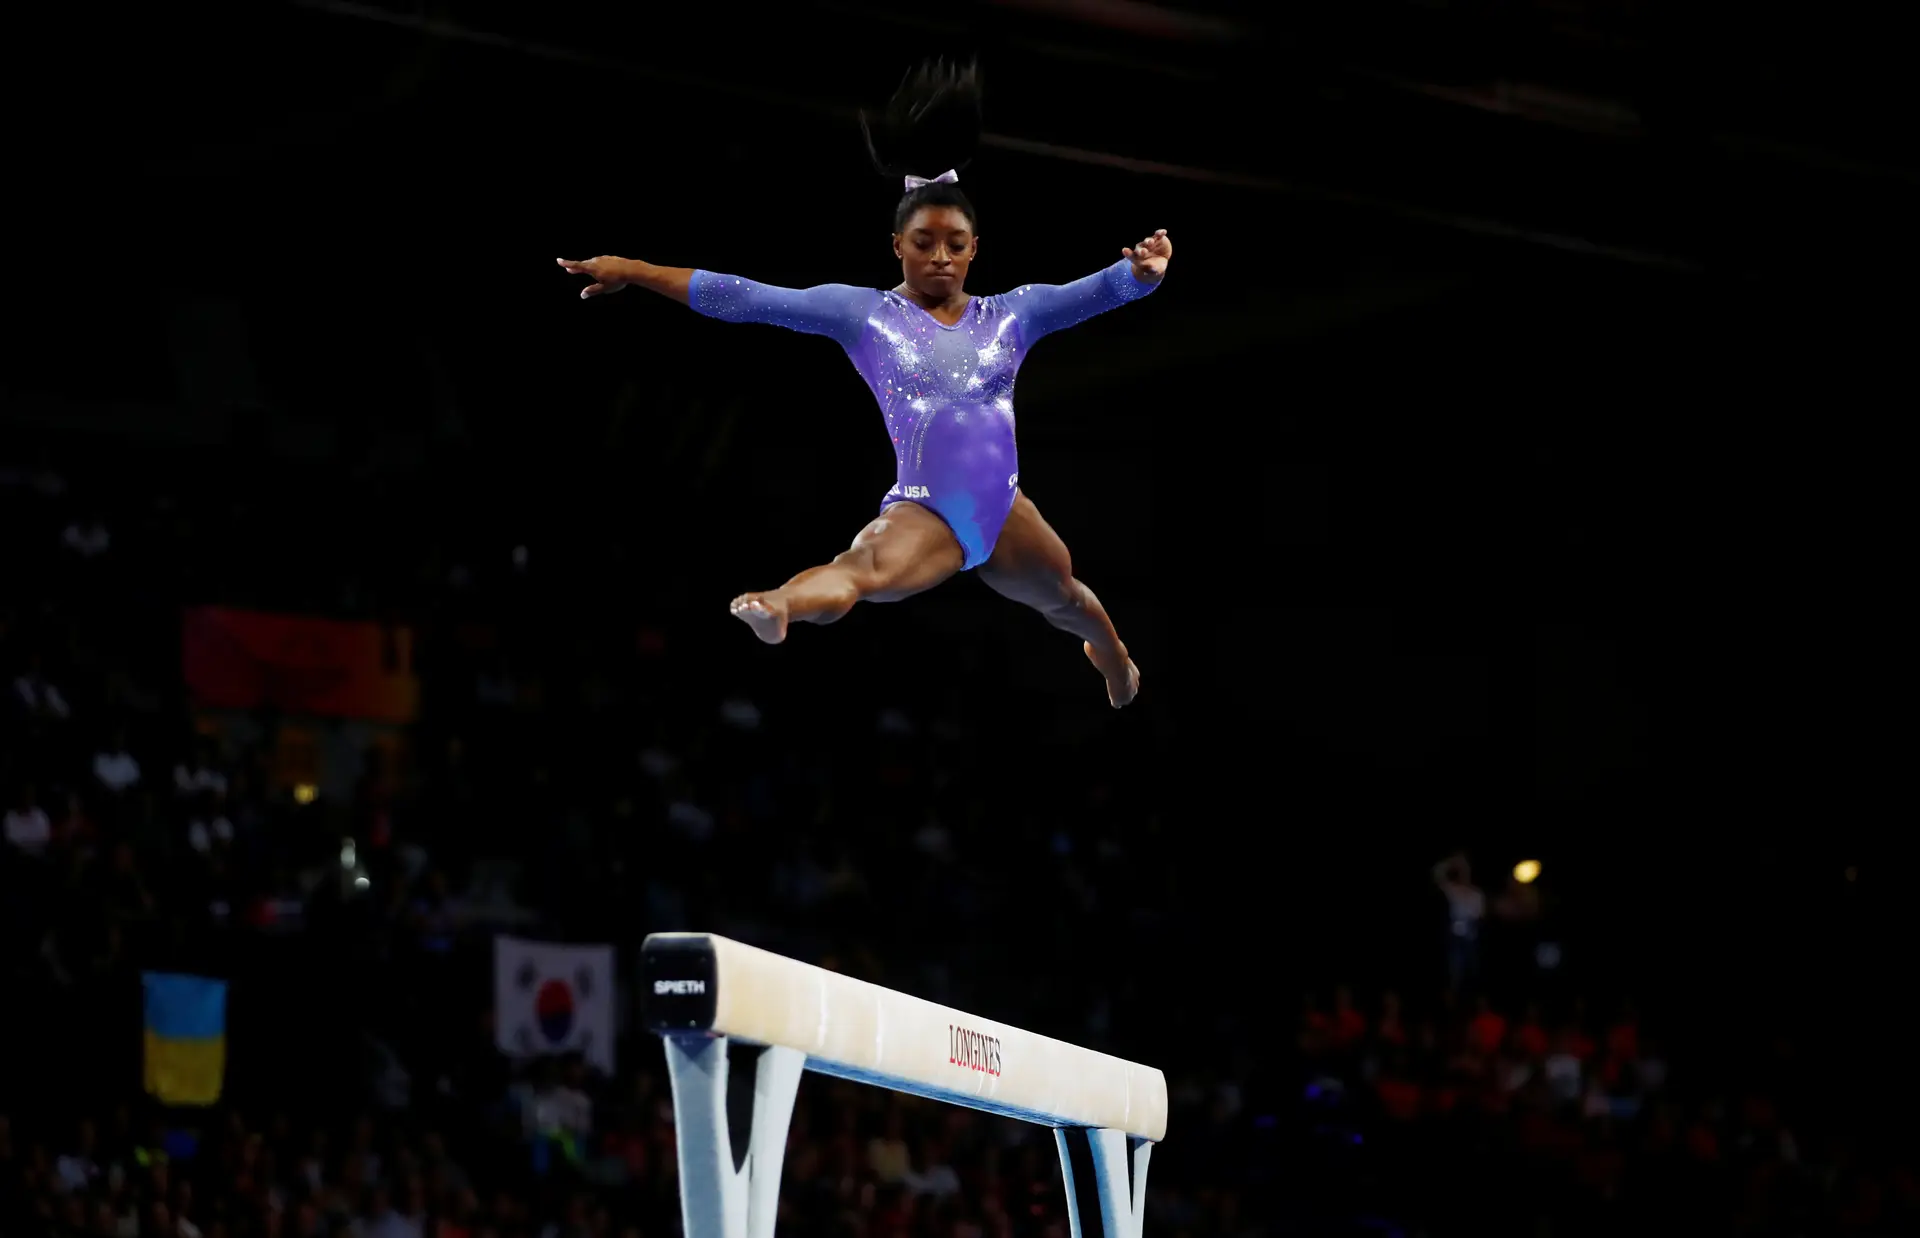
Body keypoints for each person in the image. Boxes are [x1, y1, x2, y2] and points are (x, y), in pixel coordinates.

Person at [556, 61, 1171, 707]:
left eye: (955, 244)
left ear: (974, 248)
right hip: (929, 511)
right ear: (896, 245)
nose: (940, 256)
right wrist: (636, 269)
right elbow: (745, 297)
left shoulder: (1012, 314)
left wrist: (1144, 273)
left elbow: (1098, 290)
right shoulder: (865, 315)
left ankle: (1115, 660)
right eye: (924, 241)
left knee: (1069, 600)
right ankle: (778, 604)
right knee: (865, 568)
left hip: (1007, 509)